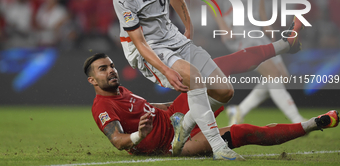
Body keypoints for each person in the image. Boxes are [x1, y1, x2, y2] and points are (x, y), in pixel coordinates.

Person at [111, 0, 303, 160]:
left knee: (224, 91)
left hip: (170, 35)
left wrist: (188, 27)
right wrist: (166, 70)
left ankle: (185, 125)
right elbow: (140, 42)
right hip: (146, 46)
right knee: (194, 79)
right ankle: (218, 146)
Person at [85, 53, 339, 157]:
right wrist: (140, 133)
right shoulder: (102, 107)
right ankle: (313, 124)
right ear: (92, 80)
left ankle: (270, 51)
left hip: (175, 114)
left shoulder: (121, 91)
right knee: (242, 133)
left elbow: (149, 108)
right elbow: (118, 141)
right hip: (170, 143)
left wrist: (172, 101)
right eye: (103, 69)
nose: (111, 70)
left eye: (111, 66)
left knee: (210, 73)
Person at [206, 0, 306, 126]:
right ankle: (298, 122)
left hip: (254, 26)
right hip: (237, 28)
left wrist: (265, 23)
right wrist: (223, 26)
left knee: (282, 76)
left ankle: (239, 110)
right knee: (273, 73)